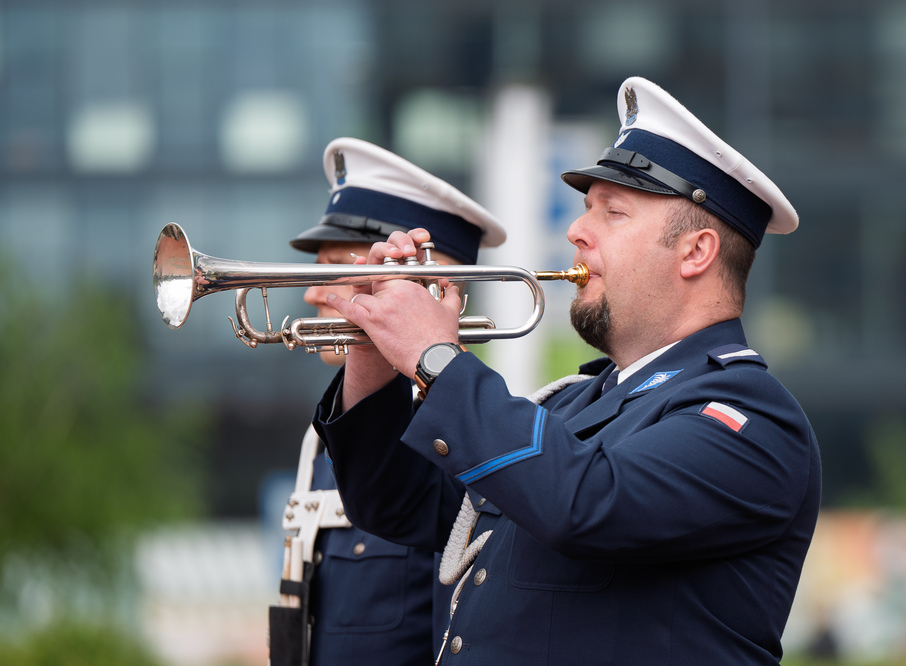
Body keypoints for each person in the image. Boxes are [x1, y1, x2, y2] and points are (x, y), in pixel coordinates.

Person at [312, 77, 822, 664]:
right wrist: (376, 353)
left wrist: (436, 359)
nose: (577, 231)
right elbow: (397, 504)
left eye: (614, 213)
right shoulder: (569, 407)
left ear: (696, 252)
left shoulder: (751, 419)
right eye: (586, 210)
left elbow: (588, 502)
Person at [274, 137, 505, 666]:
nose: (312, 293)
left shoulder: (474, 433)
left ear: (420, 275)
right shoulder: (328, 435)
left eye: (334, 268)